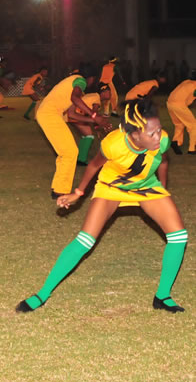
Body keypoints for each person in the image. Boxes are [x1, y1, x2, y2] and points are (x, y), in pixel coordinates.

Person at [17, 99, 187, 314]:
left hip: (146, 186)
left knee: (178, 236)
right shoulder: (112, 144)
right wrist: (78, 193)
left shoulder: (161, 140)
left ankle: (162, 296)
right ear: (134, 134)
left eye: (159, 130)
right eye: (151, 133)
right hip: (112, 187)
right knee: (85, 240)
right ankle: (42, 293)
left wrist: (163, 188)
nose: (158, 136)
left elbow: (162, 160)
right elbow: (95, 165)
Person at [36, 68, 109, 198]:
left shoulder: (72, 84)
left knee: (66, 152)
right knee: (70, 152)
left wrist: (95, 121)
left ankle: (58, 188)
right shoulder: (80, 81)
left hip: (50, 114)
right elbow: (74, 98)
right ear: (91, 78)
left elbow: (71, 114)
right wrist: (94, 115)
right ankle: (60, 191)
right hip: (49, 114)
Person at [65, 82, 113, 166]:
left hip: (74, 113)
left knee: (87, 134)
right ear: (103, 93)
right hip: (74, 114)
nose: (110, 94)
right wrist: (99, 124)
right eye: (108, 91)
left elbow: (93, 116)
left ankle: (79, 157)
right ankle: (81, 159)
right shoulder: (97, 98)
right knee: (89, 134)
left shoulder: (94, 96)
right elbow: (94, 114)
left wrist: (97, 126)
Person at [165, 73, 196, 156]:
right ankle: (192, 149)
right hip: (179, 105)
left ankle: (176, 142)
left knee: (179, 124)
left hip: (169, 103)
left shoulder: (186, 82)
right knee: (193, 125)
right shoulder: (194, 86)